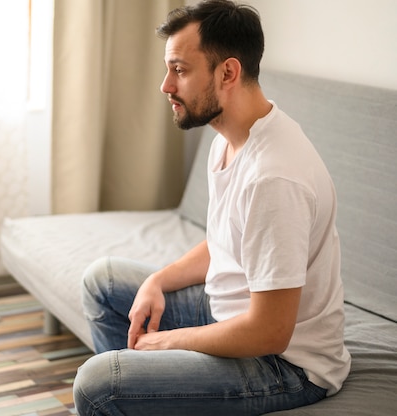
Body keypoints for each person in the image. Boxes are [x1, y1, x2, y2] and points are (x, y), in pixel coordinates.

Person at [73, 1, 351, 415]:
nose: (165, 85)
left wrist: (165, 344)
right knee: (104, 281)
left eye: (180, 70)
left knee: (98, 385)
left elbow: (270, 332)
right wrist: (157, 281)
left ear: (228, 73)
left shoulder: (274, 176)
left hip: (284, 363)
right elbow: (225, 242)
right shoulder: (227, 137)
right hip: (229, 311)